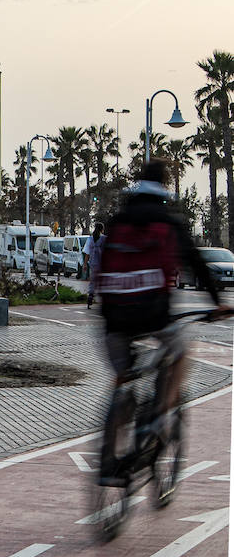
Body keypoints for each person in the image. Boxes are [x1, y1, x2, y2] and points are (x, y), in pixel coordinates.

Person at [94, 158, 230, 476]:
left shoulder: (117, 220)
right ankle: (158, 418)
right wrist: (218, 303)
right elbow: (195, 264)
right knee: (181, 351)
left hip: (113, 317)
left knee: (123, 377)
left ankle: (111, 449)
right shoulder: (169, 222)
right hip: (154, 315)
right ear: (164, 186)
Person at [85, 222, 105, 307]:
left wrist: (85, 264)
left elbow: (87, 253)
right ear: (102, 229)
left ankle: (90, 296)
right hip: (103, 263)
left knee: (93, 281)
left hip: (93, 263)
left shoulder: (90, 239)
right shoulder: (104, 239)